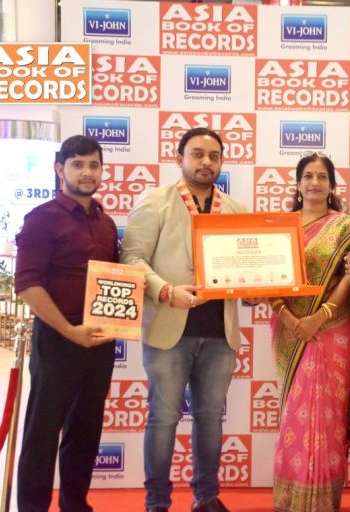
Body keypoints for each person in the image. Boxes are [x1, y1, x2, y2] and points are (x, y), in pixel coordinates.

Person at [120, 127, 246, 512]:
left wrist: (257, 286)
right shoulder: (154, 202)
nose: (206, 162)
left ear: (222, 162)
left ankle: (206, 498)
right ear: (180, 159)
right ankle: (157, 502)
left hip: (219, 333)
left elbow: (247, 268)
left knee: (210, 420)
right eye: (197, 154)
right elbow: (131, 259)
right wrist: (164, 290)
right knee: (163, 419)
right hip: (168, 329)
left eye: (213, 156)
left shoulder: (236, 210)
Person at [14, 135, 118, 512]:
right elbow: (27, 284)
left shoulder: (106, 222)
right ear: (60, 169)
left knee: (85, 433)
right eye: (78, 164)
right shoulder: (41, 219)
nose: (87, 172)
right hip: (57, 341)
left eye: (93, 165)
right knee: (42, 434)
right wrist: (69, 330)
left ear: (102, 170)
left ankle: (76, 504)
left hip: (100, 342)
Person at [270, 153, 350, 512]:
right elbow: (267, 279)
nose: (315, 182)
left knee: (327, 415)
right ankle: (291, 500)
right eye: (308, 176)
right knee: (293, 413)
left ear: (332, 186)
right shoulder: (278, 226)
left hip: (333, 330)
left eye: (322, 177)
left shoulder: (348, 227)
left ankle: (323, 501)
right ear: (298, 184)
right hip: (288, 331)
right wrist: (287, 316)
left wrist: (322, 314)